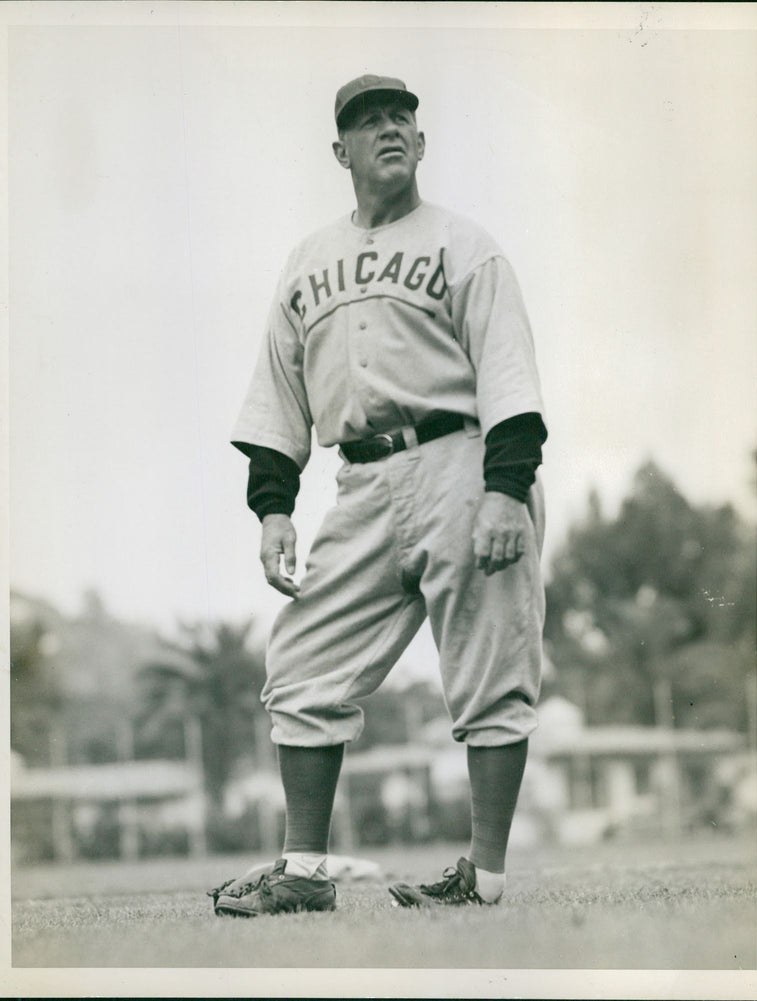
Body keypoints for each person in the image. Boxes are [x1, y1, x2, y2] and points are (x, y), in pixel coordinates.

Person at [209, 74, 548, 916]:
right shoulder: (306, 260)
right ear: (342, 151)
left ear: (422, 143)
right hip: (358, 480)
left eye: (402, 117)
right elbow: (279, 393)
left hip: (462, 464)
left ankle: (485, 875)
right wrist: (275, 507)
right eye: (368, 121)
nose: (388, 128)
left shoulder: (466, 245)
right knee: (302, 664)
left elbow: (510, 375)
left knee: (489, 667)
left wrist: (507, 491)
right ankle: (304, 871)